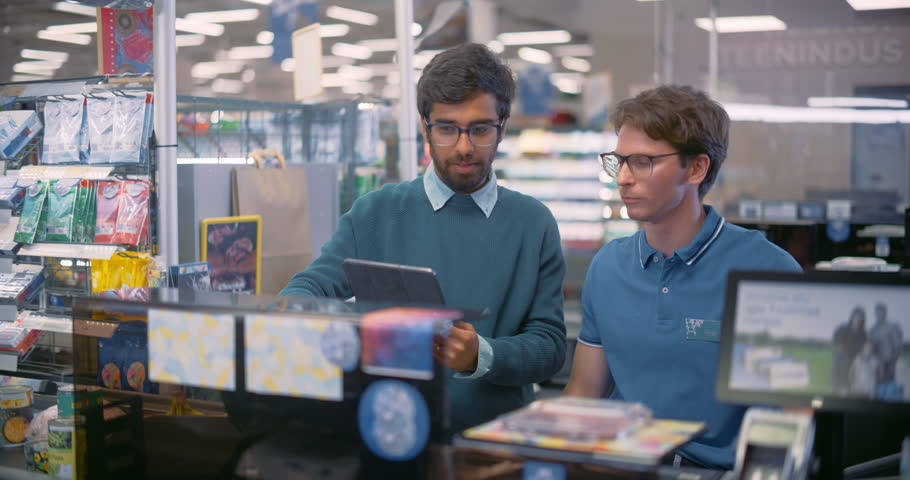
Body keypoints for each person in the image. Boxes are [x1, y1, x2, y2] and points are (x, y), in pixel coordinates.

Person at [280, 43, 567, 434]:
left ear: (502, 126)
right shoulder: (375, 212)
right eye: (447, 128)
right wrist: (291, 314)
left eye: (480, 129)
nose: (464, 147)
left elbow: (549, 344)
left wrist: (482, 355)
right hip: (389, 434)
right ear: (423, 126)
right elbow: (315, 282)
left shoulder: (533, 223)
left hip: (494, 445)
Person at [563, 85, 801, 470]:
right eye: (619, 161)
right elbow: (583, 394)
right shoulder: (607, 266)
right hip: (618, 469)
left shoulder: (768, 272)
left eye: (642, 162)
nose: (623, 178)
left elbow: (790, 417)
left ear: (696, 168)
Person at [831, 306, 867, 395]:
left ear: (863, 320)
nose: (858, 320)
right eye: (856, 317)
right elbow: (835, 343)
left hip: (855, 363)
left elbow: (864, 349)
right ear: (852, 317)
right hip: (841, 361)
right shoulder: (842, 328)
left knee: (849, 388)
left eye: (860, 318)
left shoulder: (863, 334)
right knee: (835, 386)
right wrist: (841, 353)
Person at [868, 302, 903, 385]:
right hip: (877, 364)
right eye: (877, 312)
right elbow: (869, 347)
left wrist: (893, 362)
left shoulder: (892, 327)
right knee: (878, 385)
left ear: (885, 313)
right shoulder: (872, 329)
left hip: (889, 362)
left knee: (889, 385)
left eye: (881, 312)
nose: (879, 314)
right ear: (875, 313)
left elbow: (898, 346)